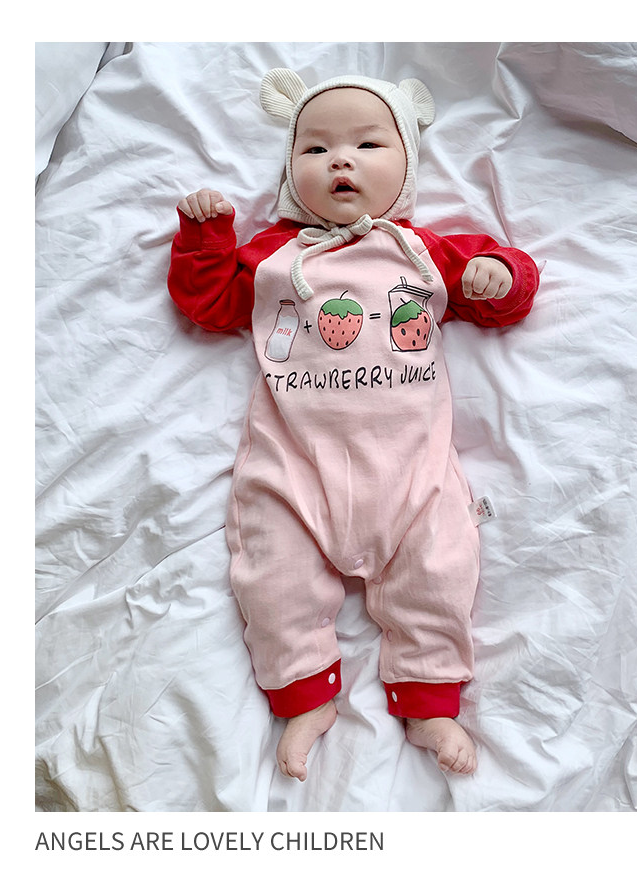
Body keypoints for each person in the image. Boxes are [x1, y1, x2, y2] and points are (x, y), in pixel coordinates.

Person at [168, 69, 539, 782]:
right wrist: (206, 236)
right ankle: (303, 695)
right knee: (271, 576)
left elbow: (505, 293)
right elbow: (207, 302)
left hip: (411, 472)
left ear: (406, 163)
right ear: (289, 171)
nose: (340, 159)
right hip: (293, 467)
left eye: (368, 144)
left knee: (440, 567)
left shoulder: (421, 252)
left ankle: (429, 700)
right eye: (314, 149)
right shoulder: (274, 256)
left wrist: (499, 273)